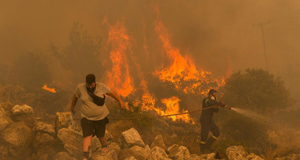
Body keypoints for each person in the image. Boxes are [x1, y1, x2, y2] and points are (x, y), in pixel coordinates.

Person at [71, 74, 125, 160]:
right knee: (87, 136)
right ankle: (85, 157)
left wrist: (120, 101)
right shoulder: (80, 88)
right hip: (86, 118)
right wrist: (72, 107)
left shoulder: (101, 86)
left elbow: (112, 93)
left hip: (100, 117)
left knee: (101, 135)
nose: (90, 87)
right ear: (86, 83)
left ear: (95, 82)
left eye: (92, 85)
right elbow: (75, 97)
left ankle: (104, 146)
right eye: (88, 85)